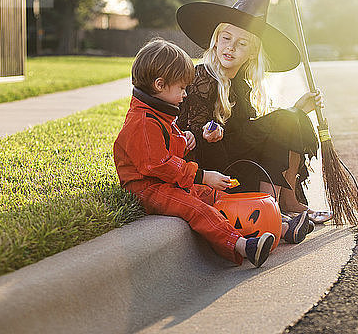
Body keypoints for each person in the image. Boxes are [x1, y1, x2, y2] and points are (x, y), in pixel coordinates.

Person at [113, 38, 312, 269]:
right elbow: (158, 165)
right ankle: (241, 246)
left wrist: (185, 139)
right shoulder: (143, 122)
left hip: (167, 183)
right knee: (197, 209)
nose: (185, 95)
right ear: (159, 85)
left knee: (218, 198)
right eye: (181, 88)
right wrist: (203, 176)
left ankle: (280, 228)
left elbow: (167, 146)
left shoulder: (160, 112)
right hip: (148, 188)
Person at [175, 0, 333, 224]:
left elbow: (254, 134)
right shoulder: (203, 77)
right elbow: (194, 137)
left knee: (289, 118)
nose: (231, 47)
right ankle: (278, 206)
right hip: (211, 163)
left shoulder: (241, 84)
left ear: (252, 52)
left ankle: (284, 202)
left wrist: (297, 111)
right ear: (215, 41)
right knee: (284, 118)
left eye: (242, 43)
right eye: (226, 38)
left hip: (239, 159)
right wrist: (213, 133)